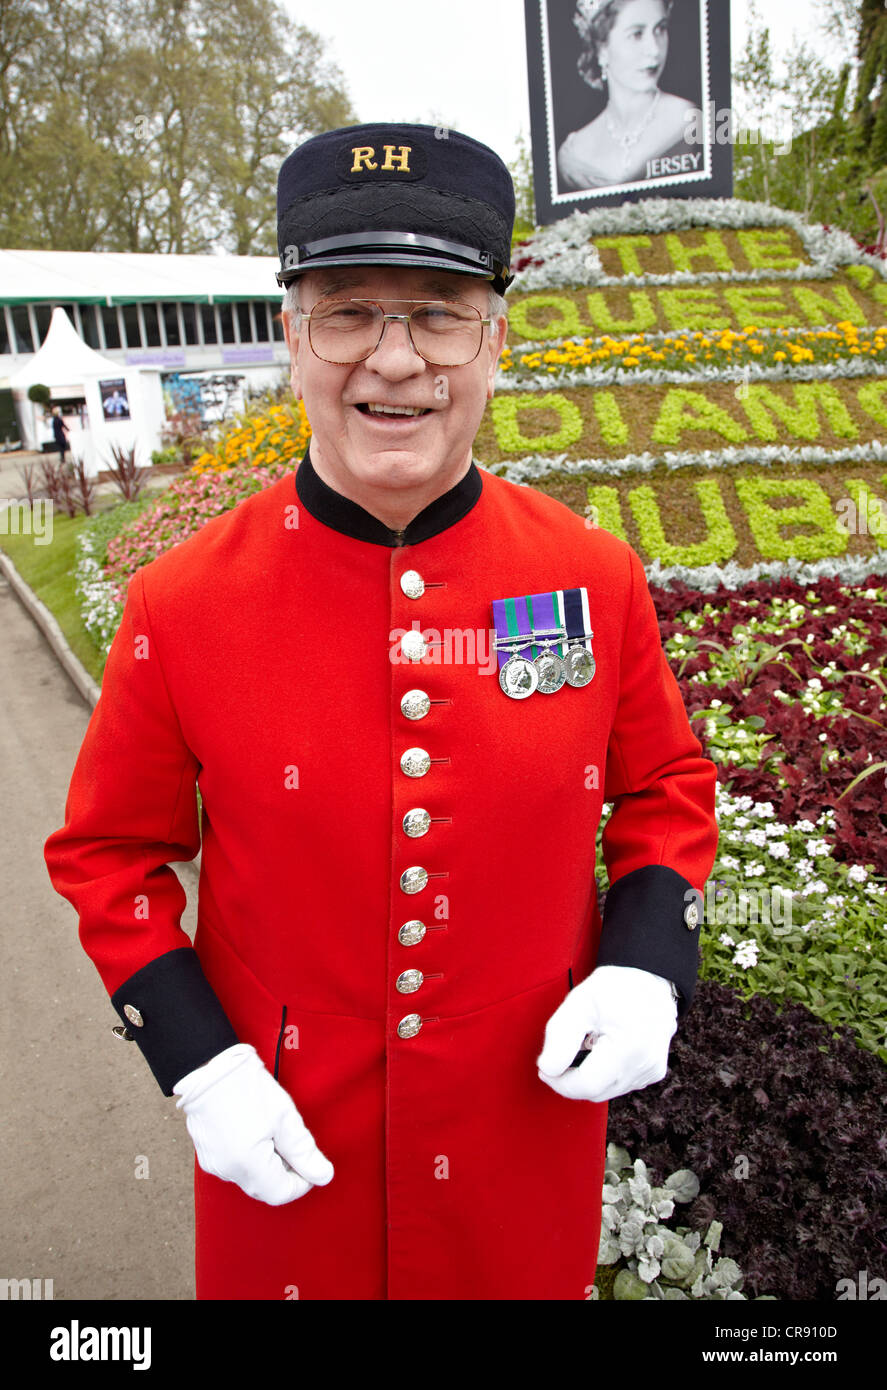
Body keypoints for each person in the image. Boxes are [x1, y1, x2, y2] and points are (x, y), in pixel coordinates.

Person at [44, 121, 717, 1300]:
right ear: (289, 336)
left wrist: (647, 961)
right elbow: (110, 854)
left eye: (439, 309)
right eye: (347, 310)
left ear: (495, 339)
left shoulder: (587, 575)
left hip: (520, 1131)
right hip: (283, 1143)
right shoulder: (183, 601)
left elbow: (662, 789)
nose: (394, 360)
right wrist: (201, 1064)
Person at [557, 0, 703, 192]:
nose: (654, 50)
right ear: (601, 50)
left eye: (660, 29)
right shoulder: (574, 153)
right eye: (636, 34)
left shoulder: (690, 119)